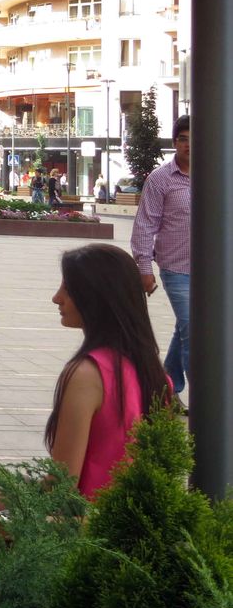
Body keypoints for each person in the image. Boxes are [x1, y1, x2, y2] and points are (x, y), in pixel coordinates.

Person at [0, 244, 172, 510]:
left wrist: (4, 497)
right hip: (132, 528)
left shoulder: (87, 374)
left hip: (87, 534)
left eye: (68, 289)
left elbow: (60, 488)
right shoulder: (156, 375)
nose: (56, 298)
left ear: (96, 298)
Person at [131, 115, 191, 412]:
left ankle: (165, 386)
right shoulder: (161, 178)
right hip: (176, 268)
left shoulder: (219, 172)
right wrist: (144, 268)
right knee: (194, 326)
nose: (190, 144)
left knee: (186, 326)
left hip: (215, 272)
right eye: (183, 138)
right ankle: (206, 400)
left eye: (195, 138)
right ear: (175, 142)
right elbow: (145, 224)